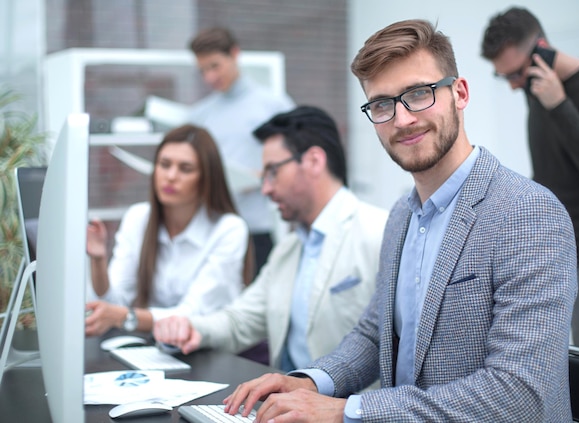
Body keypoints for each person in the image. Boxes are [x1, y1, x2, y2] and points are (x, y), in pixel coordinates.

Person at [218, 19, 578, 422]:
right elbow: (376, 335)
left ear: (459, 93)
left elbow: (518, 393)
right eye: (383, 104)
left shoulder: (528, 214)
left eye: (419, 94)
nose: (402, 119)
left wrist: (345, 411)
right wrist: (310, 382)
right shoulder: (402, 216)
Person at [153, 106, 389, 371]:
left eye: (272, 172)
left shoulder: (380, 234)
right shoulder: (288, 250)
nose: (265, 189)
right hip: (287, 402)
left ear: (313, 161)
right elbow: (240, 321)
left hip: (347, 407)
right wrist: (190, 328)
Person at [481, 7, 579, 354]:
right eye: (505, 77)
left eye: (516, 73)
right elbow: (549, 172)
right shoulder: (535, 91)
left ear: (542, 48)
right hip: (550, 253)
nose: (515, 85)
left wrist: (559, 104)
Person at [85, 124, 253, 337]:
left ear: (206, 178)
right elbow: (114, 304)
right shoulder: (139, 217)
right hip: (156, 347)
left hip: (210, 348)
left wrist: (122, 316)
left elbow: (191, 314)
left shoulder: (229, 229)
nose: (171, 176)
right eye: (164, 165)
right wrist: (98, 260)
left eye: (185, 169)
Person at [188, 27, 296, 273]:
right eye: (203, 70)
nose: (209, 77)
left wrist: (265, 175)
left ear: (235, 54)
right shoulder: (200, 115)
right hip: (212, 229)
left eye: (215, 66)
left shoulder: (272, 106)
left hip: (258, 230)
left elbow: (296, 157)